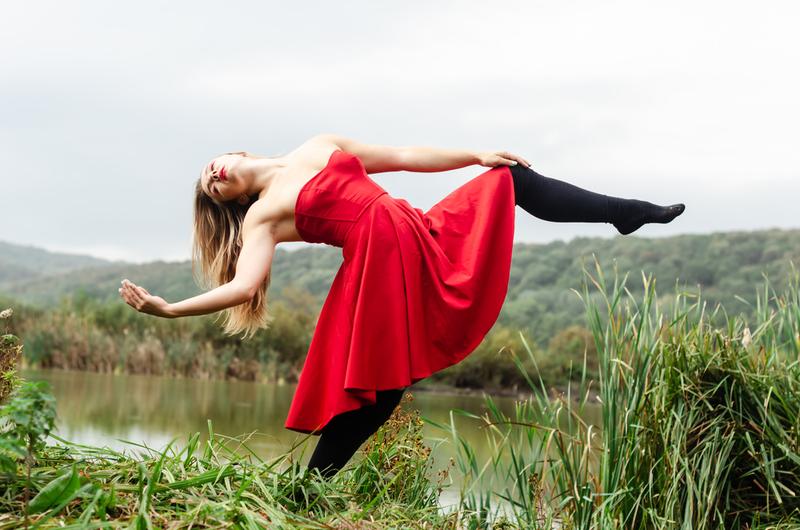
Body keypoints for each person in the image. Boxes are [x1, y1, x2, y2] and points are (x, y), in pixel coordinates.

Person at [118, 134, 684, 478]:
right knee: (377, 392)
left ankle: (626, 210)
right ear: (236, 200)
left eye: (211, 168)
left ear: (234, 151)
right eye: (214, 190)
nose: (214, 178)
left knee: (507, 178)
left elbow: (404, 156)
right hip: (374, 269)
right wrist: (169, 310)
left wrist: (473, 154)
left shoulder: (319, 145)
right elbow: (244, 287)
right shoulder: (264, 214)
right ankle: (309, 492)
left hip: (416, 235)